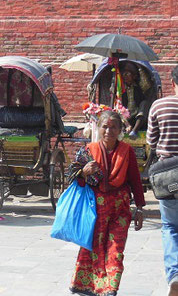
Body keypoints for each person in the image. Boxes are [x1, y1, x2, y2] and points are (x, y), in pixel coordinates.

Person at [69, 110, 145, 296]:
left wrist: (140, 208)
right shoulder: (90, 150)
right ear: (99, 128)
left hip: (120, 209)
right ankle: (87, 285)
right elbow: (73, 178)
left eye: (113, 127)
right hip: (95, 210)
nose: (108, 131)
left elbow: (135, 180)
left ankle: (110, 288)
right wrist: (84, 172)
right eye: (105, 126)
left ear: (120, 130)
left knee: (116, 248)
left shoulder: (127, 152)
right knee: (93, 247)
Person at [146, 65, 178, 296]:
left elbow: (150, 140)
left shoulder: (160, 105)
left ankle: (175, 274)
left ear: (173, 82)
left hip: (168, 175)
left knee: (170, 226)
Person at [120, 62, 150, 139]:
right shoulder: (120, 89)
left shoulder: (138, 88)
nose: (125, 76)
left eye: (127, 74)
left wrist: (139, 66)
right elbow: (118, 107)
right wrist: (126, 124)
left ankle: (135, 131)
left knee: (144, 103)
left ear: (134, 76)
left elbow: (146, 85)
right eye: (123, 74)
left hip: (138, 117)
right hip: (124, 118)